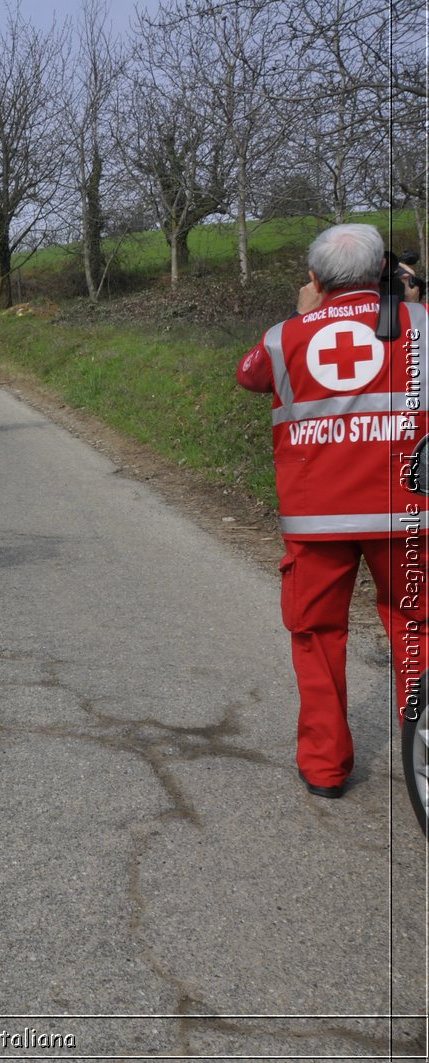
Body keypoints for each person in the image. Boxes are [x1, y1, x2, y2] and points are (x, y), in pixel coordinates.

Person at [235, 222, 427, 799]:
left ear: (315, 278)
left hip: (317, 520)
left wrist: (303, 314)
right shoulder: (419, 325)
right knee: (418, 629)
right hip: (407, 512)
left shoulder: (282, 338)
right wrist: (412, 303)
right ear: (383, 275)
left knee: (317, 635)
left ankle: (324, 767)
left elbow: (250, 377)